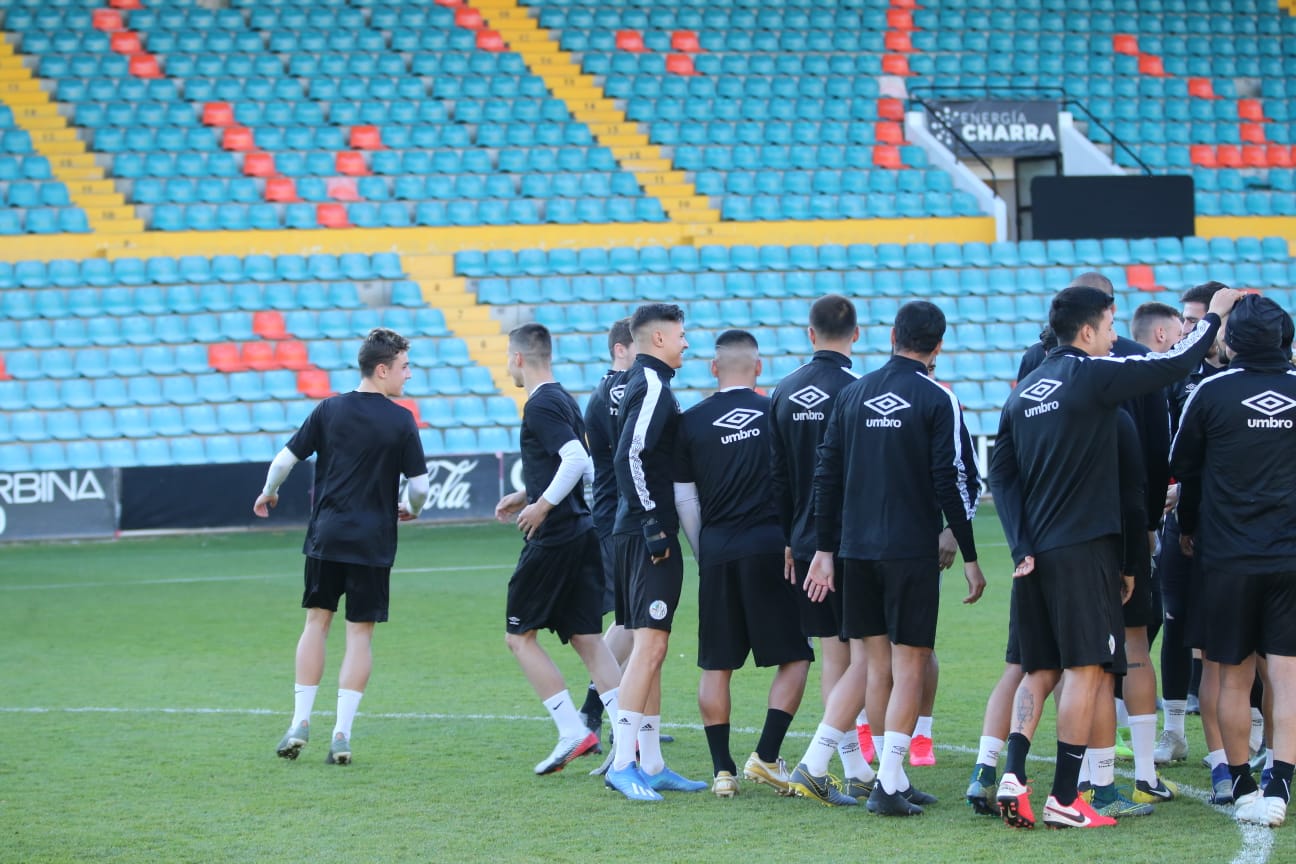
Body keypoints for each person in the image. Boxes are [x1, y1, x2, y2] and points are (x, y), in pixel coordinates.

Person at [990, 284, 1238, 830]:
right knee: (1087, 671)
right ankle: (1062, 797)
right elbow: (1174, 363)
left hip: (1035, 558)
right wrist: (1213, 320)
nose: (1113, 338)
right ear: (1086, 331)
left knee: (1039, 668)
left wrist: (1020, 545)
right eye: (1108, 327)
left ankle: (1012, 773)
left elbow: (1001, 476)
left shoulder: (1023, 391)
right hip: (1085, 553)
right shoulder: (1092, 376)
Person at [790, 300, 985, 815]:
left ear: (893, 334)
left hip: (856, 551)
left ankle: (888, 779)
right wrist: (968, 553)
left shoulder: (852, 394)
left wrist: (826, 550)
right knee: (911, 663)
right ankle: (891, 782)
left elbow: (825, 477)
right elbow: (950, 479)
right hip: (909, 551)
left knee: (875, 666)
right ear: (939, 345)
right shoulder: (938, 398)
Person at [256, 328, 430, 765]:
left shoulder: (329, 409)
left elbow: (284, 461)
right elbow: (421, 487)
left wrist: (269, 492)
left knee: (317, 623)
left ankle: (299, 722)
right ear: (383, 369)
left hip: (328, 535)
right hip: (372, 541)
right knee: (360, 634)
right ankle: (342, 733)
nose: (409, 375)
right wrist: (412, 508)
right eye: (405, 367)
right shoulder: (401, 419)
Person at [1170, 294, 1296, 828]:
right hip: (1290, 556)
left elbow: (1182, 466)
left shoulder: (1211, 390)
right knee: (1287, 677)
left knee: (1231, 676)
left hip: (1227, 557)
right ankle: (1281, 784)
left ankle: (1242, 783)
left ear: (1229, 340)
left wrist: (1190, 527)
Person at [673, 329, 813, 798]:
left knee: (717, 665)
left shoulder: (689, 421)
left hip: (717, 551)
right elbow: (799, 483)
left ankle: (723, 772)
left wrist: (702, 549)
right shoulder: (777, 411)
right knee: (796, 655)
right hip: (772, 547)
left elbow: (685, 500)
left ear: (714, 369)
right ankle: (767, 756)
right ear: (758, 367)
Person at [492, 323, 623, 776]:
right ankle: (630, 741)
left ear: (519, 359)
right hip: (582, 531)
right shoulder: (565, 398)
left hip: (556, 538)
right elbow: (581, 473)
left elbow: (576, 461)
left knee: (518, 636)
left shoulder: (540, 404)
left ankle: (572, 730)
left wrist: (543, 506)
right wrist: (530, 495)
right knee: (588, 638)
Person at [604, 303, 705, 801]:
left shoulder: (648, 381)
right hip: (647, 536)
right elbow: (629, 453)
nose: (687, 343)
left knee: (654, 646)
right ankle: (623, 764)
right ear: (660, 339)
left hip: (639, 533)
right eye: (682, 335)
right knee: (652, 647)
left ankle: (654, 762)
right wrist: (651, 523)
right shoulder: (653, 384)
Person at [768, 294, 868, 780]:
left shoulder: (784, 391)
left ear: (810, 334)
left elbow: (778, 478)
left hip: (805, 542)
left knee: (833, 651)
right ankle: (855, 762)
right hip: (855, 542)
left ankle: (853, 764)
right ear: (857, 333)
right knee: (869, 653)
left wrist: (791, 537)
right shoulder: (862, 390)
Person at [1156, 283, 1230, 785]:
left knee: (1245, 635)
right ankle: (1174, 731)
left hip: (1234, 528)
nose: (1188, 329)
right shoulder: (1179, 377)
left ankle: (1256, 735)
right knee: (1176, 622)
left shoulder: (1256, 379)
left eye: (1198, 320)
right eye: (1184, 320)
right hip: (1182, 523)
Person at [577, 318, 638, 745]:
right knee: (635, 620)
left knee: (637, 620)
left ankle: (631, 712)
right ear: (621, 348)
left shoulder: (611, 389)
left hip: (618, 516)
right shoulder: (619, 389)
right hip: (620, 517)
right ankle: (595, 707)